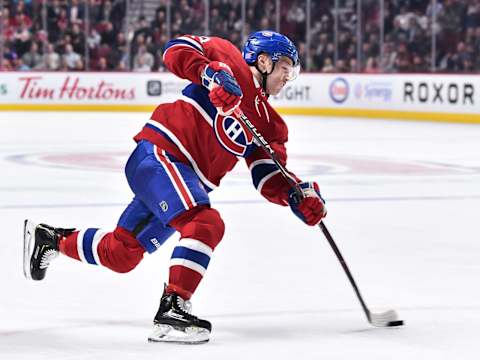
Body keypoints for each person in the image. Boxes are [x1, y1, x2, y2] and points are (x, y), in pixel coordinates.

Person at [23, 31, 327, 344]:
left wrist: (294, 195)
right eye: (285, 67)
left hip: (183, 182)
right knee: (205, 223)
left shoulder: (271, 125)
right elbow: (175, 49)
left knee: (121, 254)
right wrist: (208, 73)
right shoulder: (227, 58)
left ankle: (52, 240)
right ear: (264, 61)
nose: (289, 77)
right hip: (161, 155)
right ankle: (173, 307)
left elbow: (268, 176)